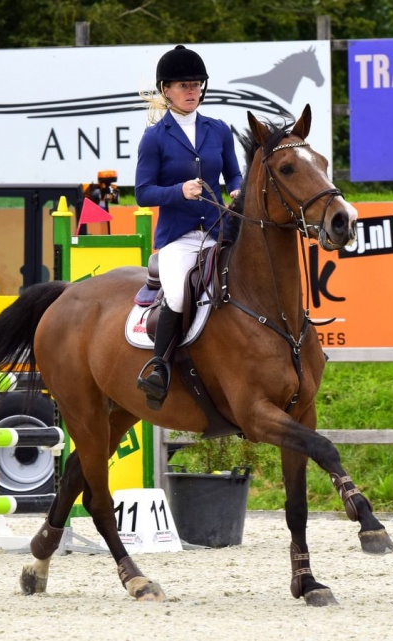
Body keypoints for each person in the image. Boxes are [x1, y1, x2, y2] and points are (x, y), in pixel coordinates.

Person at [134, 45, 243, 409]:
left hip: (218, 232)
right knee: (180, 295)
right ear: (166, 90)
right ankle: (159, 367)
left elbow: (234, 173)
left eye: (196, 84)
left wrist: (238, 190)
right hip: (178, 239)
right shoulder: (156, 137)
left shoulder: (218, 130)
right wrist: (179, 191)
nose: (192, 91)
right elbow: (142, 192)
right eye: (183, 85)